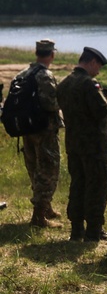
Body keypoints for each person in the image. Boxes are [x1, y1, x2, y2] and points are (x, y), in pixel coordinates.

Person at [56, 46, 107, 241]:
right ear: (91, 62)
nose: (98, 70)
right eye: (98, 66)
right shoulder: (89, 85)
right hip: (94, 145)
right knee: (97, 186)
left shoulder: (64, 83)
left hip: (73, 143)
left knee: (78, 184)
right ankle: (94, 230)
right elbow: (100, 111)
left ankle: (76, 229)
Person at [16, 39, 62, 228]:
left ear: (36, 53)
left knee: (34, 168)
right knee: (47, 171)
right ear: (52, 55)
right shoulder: (44, 75)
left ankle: (46, 208)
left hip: (27, 129)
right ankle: (39, 217)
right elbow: (50, 103)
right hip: (45, 130)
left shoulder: (23, 73)